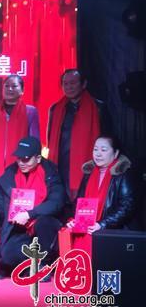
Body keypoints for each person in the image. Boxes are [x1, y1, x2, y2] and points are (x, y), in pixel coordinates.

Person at [0, 136, 65, 277]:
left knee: (45, 223)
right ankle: (30, 267)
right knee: (7, 258)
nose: (21, 163)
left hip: (43, 227)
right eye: (19, 158)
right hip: (19, 230)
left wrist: (30, 214)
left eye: (26, 159)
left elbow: (56, 202)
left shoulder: (51, 173)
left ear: (38, 158)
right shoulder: (10, 173)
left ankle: (43, 265)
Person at [47, 69, 111, 205]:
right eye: (65, 84)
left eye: (73, 83)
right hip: (61, 165)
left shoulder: (98, 108)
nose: (69, 87)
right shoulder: (56, 109)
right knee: (59, 202)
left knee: (82, 202)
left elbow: (107, 140)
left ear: (84, 84)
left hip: (86, 165)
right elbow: (50, 138)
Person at [66, 136, 137, 252]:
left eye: (103, 150)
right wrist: (74, 220)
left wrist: (102, 224)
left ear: (115, 153)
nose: (98, 154)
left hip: (111, 230)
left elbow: (126, 207)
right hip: (88, 227)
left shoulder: (123, 174)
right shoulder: (89, 174)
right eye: (95, 149)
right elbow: (79, 202)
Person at [0, 75, 40, 204]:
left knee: (17, 204)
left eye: (14, 86)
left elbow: (34, 142)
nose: (10, 89)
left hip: (20, 165)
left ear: (22, 90)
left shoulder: (30, 112)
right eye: (7, 86)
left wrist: (32, 164)